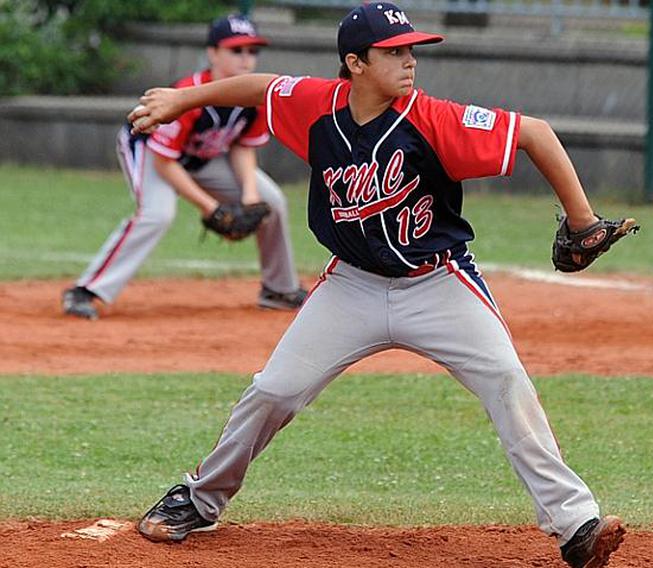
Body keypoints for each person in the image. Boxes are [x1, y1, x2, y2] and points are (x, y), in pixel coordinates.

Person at [130, 4, 627, 567]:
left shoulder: (436, 119)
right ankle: (199, 499)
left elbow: (533, 133)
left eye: (412, 50)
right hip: (351, 287)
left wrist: (582, 220)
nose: (410, 61)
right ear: (355, 63)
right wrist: (179, 99)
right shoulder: (318, 106)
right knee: (274, 391)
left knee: (507, 382)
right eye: (394, 52)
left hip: (437, 283)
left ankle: (576, 524)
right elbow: (260, 87)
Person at [62, 14, 306, 321]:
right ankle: (86, 290)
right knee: (157, 214)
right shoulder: (188, 94)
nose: (246, 59)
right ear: (212, 53)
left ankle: (279, 290)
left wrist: (249, 195)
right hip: (150, 150)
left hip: (204, 157)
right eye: (236, 50)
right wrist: (211, 207)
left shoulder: (254, 97)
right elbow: (165, 162)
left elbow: (243, 147)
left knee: (272, 202)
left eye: (252, 51)